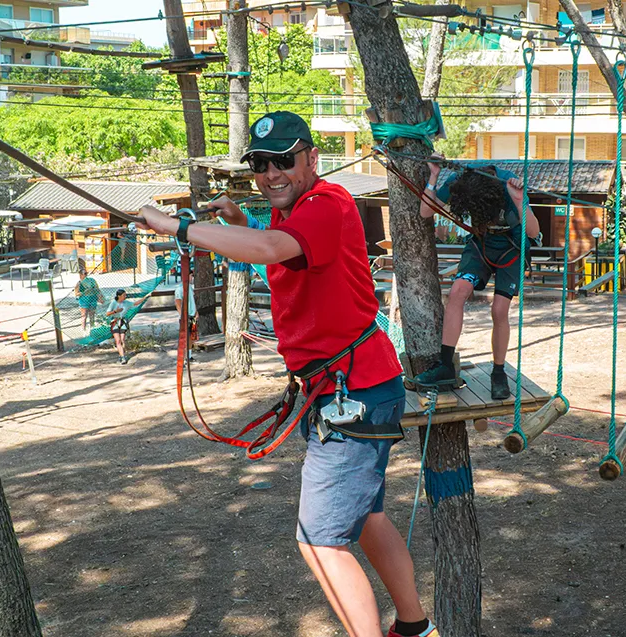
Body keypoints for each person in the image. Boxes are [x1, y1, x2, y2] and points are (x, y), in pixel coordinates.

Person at [137, 111, 437, 637]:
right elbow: (281, 254)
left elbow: (274, 251)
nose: (271, 173)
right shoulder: (296, 212)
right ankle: (415, 629)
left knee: (320, 539)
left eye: (283, 161)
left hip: (353, 391)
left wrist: (181, 226)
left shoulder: (326, 203)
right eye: (260, 164)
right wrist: (238, 224)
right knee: (365, 517)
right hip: (351, 385)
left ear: (312, 159)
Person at [412, 161, 541, 400]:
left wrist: (520, 199)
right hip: (481, 245)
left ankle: (498, 372)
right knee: (457, 292)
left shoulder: (508, 184)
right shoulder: (461, 183)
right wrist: (434, 176)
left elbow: (533, 232)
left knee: (499, 310)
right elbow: (425, 211)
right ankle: (446, 365)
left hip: (511, 248)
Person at [105, 288, 151, 365]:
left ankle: (121, 355)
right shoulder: (113, 303)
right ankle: (123, 357)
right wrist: (115, 311)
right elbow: (107, 313)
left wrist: (145, 297)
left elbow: (136, 303)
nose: (125, 297)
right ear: (119, 296)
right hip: (115, 322)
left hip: (123, 321)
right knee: (118, 340)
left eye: (125, 295)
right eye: (123, 295)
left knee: (123, 339)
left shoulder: (126, 303)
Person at [74, 263, 103, 330]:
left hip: (92, 299)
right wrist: (83, 292)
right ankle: (83, 329)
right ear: (80, 275)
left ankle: (92, 328)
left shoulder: (92, 280)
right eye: (84, 274)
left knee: (92, 316)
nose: (84, 275)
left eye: (86, 273)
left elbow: (97, 289)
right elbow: (76, 294)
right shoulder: (79, 283)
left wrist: (100, 297)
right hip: (84, 300)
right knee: (84, 316)